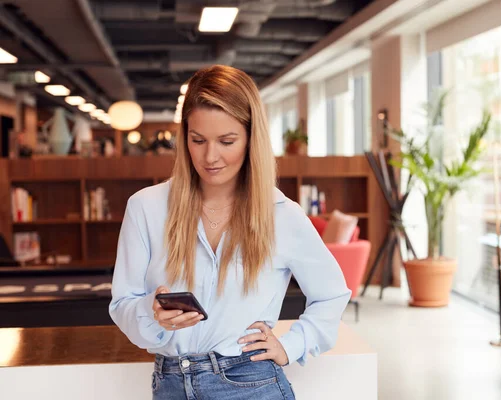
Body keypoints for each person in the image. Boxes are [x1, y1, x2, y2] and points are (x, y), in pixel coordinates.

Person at [109, 65, 351, 400]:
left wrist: (292, 345)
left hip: (252, 383)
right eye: (198, 140)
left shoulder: (282, 215)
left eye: (227, 141)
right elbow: (122, 303)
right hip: (170, 384)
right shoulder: (146, 208)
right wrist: (153, 315)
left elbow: (332, 294)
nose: (210, 157)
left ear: (251, 139)